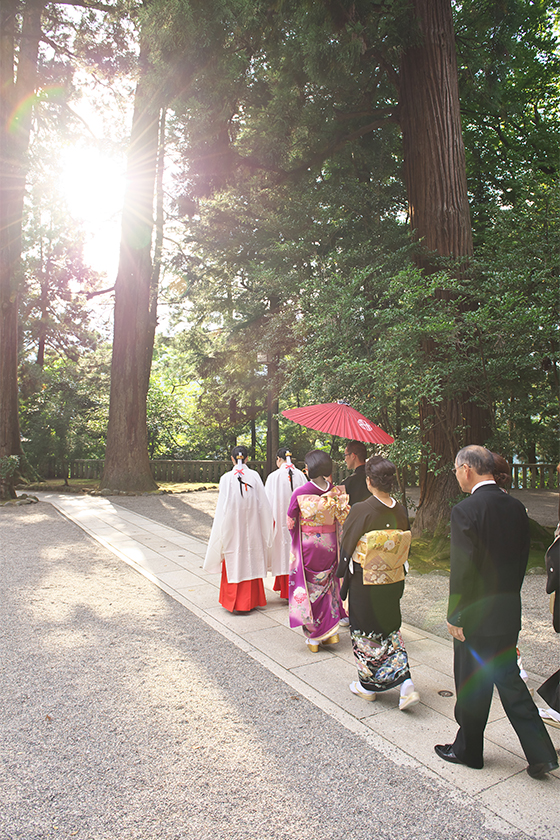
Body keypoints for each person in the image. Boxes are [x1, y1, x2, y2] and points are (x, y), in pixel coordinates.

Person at [435, 445, 558, 779]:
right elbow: (521, 560)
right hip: (507, 611)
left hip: (475, 617)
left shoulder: (465, 510)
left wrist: (456, 615)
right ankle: (541, 754)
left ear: (467, 469)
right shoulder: (516, 507)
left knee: (471, 683)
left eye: (456, 470)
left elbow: (462, 570)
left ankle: (468, 750)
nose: (457, 475)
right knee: (510, 683)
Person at [338, 455, 420, 710]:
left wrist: (342, 570)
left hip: (366, 582)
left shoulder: (362, 509)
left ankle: (368, 685)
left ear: (369, 481)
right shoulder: (400, 509)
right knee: (390, 629)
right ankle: (405, 681)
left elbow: (347, 544)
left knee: (365, 631)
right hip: (392, 580)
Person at [287, 449, 349, 651]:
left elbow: (290, 521)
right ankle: (331, 631)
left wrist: (299, 536)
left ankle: (314, 637)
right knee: (329, 584)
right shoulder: (335, 492)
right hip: (330, 544)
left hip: (309, 545)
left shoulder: (301, 492)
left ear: (308, 469)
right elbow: (343, 519)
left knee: (312, 587)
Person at [204, 445, 273, 613]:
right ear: (247, 458)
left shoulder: (226, 478)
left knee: (234, 557)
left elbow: (222, 507)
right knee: (251, 557)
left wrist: (221, 530)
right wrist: (267, 529)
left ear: (232, 459)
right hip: (253, 527)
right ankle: (252, 600)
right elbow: (264, 506)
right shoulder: (254, 476)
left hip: (232, 528)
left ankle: (234, 602)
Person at [265, 447, 306, 599]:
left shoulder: (273, 477)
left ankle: (284, 587)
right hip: (299, 522)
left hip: (280, 521)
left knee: (282, 552)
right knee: (295, 551)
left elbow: (267, 504)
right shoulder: (301, 475)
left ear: (278, 459)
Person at [342, 441, 370, 506]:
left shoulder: (349, 483)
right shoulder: (374, 476)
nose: (345, 460)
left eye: (345, 455)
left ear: (353, 456)